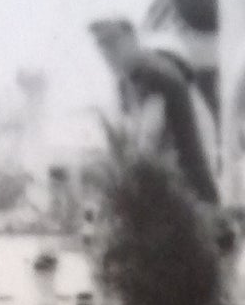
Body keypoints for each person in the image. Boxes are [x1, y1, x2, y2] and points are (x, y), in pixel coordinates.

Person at [89, 16, 220, 206]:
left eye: (112, 43)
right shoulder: (128, 82)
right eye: (101, 46)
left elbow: (147, 142)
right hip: (176, 194)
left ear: (132, 39)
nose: (107, 54)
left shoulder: (153, 72)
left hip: (186, 197)